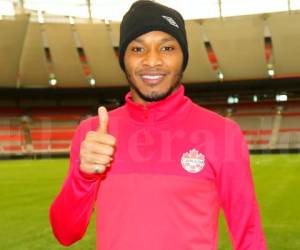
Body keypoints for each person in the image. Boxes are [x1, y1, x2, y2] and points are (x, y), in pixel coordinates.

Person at [49, 1, 267, 249]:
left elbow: (248, 234)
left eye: (166, 47)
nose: (152, 61)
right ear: (123, 59)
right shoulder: (92, 134)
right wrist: (84, 175)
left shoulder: (223, 133)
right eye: (138, 49)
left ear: (183, 56)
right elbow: (65, 233)